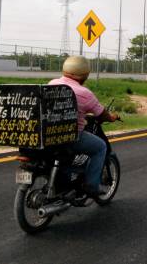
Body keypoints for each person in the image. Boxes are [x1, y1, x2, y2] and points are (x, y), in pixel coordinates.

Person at [49, 56, 119, 197]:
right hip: (71, 136)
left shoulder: (52, 83)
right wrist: (111, 117)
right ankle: (91, 185)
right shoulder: (85, 93)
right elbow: (101, 113)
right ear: (85, 74)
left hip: (50, 134)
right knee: (100, 147)